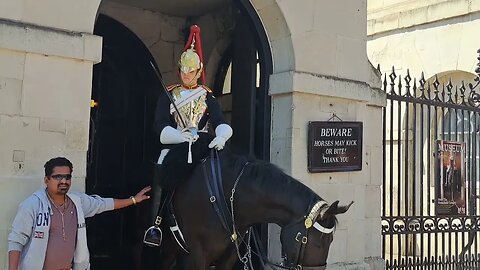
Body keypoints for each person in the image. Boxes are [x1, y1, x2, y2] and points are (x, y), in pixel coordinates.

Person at [143, 25, 233, 247]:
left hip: (201, 144)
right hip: (176, 144)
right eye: (182, 70)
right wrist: (180, 136)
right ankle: (155, 224)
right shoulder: (169, 94)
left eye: (190, 72)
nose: (185, 75)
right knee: (163, 169)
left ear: (199, 71)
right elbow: (160, 126)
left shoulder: (207, 96)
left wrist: (221, 137)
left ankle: (228, 222)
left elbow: (221, 122)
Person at [8, 157, 151, 270]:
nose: (63, 181)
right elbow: (16, 240)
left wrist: (133, 200)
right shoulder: (32, 205)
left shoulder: (77, 202)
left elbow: (103, 204)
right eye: (58, 177)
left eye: (67, 177)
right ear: (46, 180)